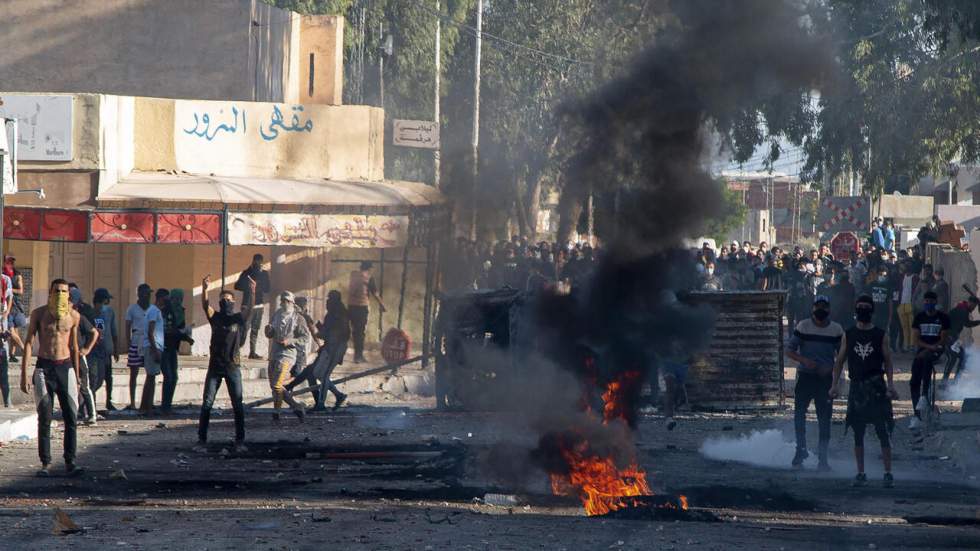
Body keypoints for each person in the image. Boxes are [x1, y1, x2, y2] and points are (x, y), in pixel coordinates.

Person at [830, 295, 898, 488]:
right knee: (857, 431)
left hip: (876, 386)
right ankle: (861, 473)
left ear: (872, 310)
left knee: (882, 430)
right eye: (860, 307)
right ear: (856, 310)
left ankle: (888, 472)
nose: (863, 310)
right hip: (857, 386)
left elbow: (888, 362)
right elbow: (839, 362)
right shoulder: (848, 334)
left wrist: (891, 385)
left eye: (866, 307)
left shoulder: (881, 335)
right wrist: (834, 384)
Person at [20, 279, 84, 476]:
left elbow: (74, 346)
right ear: (50, 292)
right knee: (45, 417)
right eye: (57, 290)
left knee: (70, 416)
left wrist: (78, 374)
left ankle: (70, 461)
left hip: (65, 367)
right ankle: (45, 463)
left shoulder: (73, 316)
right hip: (44, 367)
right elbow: (29, 342)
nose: (61, 294)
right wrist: (24, 373)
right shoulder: (39, 314)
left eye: (64, 291)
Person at [196, 274, 255, 452]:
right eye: (222, 300)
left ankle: (240, 440)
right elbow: (206, 306)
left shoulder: (238, 319)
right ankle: (201, 440)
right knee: (207, 403)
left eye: (228, 300)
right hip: (215, 366)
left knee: (237, 403)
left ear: (234, 302)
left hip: (232, 366)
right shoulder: (216, 317)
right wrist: (205, 289)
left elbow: (249, 310)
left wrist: (252, 291)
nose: (225, 302)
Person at [785, 295, 843, 470]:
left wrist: (831, 368)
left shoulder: (836, 330)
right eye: (818, 306)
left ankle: (823, 459)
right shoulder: (803, 326)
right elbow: (789, 350)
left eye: (824, 307)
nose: (821, 310)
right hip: (805, 377)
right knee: (799, 415)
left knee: (824, 419)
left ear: (829, 310)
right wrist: (804, 360)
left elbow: (842, 355)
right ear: (813, 308)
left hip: (825, 380)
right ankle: (800, 450)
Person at [264, 291, 308, 421]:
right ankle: (287, 409)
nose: (284, 303)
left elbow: (305, 337)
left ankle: (287, 409)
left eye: (286, 301)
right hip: (274, 352)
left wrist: (290, 341)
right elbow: (270, 332)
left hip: (287, 355)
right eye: (282, 300)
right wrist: (269, 331)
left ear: (292, 302)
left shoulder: (298, 318)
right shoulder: (277, 314)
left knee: (277, 385)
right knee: (274, 386)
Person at [908, 291, 950, 429]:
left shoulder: (943, 318)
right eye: (926, 301)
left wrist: (931, 348)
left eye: (930, 301)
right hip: (924, 349)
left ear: (935, 302)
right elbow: (915, 339)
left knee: (926, 359)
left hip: (937, 350)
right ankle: (917, 414)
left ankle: (924, 395)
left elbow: (943, 339)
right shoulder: (919, 317)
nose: (928, 304)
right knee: (914, 380)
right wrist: (927, 347)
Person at [68, 287, 101, 426]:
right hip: (64, 356)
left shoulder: (79, 317)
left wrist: (86, 349)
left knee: (84, 386)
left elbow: (95, 332)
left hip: (79, 356)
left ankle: (92, 415)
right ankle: (72, 413)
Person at [347, 261, 386, 364]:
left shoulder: (353, 275)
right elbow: (375, 294)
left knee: (355, 331)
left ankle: (357, 355)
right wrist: (382, 305)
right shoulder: (368, 277)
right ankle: (358, 356)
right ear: (369, 268)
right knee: (360, 332)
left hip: (351, 306)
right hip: (362, 307)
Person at [161, 288, 193, 414]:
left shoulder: (180, 312)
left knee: (174, 377)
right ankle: (165, 406)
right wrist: (183, 334)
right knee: (168, 376)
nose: (177, 301)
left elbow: (178, 329)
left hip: (173, 348)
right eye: (174, 299)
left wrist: (185, 336)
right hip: (164, 347)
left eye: (180, 299)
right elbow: (169, 330)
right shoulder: (165, 312)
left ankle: (168, 405)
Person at [235, 254, 271, 360]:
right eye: (256, 261)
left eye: (260, 261)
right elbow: (237, 286)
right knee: (244, 329)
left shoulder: (264, 274)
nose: (258, 263)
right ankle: (236, 350)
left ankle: (252, 352)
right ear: (253, 261)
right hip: (247, 305)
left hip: (259, 305)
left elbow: (267, 289)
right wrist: (248, 284)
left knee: (255, 329)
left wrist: (258, 284)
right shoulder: (246, 273)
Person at [138, 289, 167, 415]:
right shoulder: (154, 311)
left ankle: (145, 406)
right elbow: (151, 332)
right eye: (166, 298)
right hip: (152, 347)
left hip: (152, 346)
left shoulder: (152, 310)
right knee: (151, 378)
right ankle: (147, 407)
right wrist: (155, 350)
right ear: (160, 298)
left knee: (150, 377)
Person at [124, 284, 153, 409]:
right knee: (133, 373)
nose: (148, 296)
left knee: (150, 372)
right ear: (140, 294)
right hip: (136, 342)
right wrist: (128, 342)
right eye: (146, 293)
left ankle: (146, 402)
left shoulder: (152, 309)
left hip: (148, 343)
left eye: (149, 294)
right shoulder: (132, 309)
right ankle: (132, 402)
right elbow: (127, 326)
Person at [91, 288, 120, 411]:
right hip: (96, 350)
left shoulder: (109, 312)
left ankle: (109, 400)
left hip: (106, 350)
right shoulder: (94, 313)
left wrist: (116, 349)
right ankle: (93, 402)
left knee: (108, 376)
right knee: (97, 377)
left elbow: (113, 331)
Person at [942, 296, 980, 383]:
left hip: (952, 337)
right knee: (954, 357)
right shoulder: (963, 310)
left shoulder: (962, 308)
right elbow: (967, 324)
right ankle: (947, 381)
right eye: (973, 306)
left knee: (960, 357)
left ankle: (953, 380)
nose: (973, 309)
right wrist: (979, 322)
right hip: (949, 337)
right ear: (970, 302)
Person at [4, 256, 28, 362]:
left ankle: (12, 355)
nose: (10, 264)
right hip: (6, 306)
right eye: (8, 262)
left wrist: (9, 289)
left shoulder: (17, 275)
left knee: (15, 331)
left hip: (16, 305)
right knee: (11, 331)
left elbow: (20, 291)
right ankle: (24, 349)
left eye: (11, 262)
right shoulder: (2, 275)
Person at [896, 264, 918, 352]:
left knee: (912, 326)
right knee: (904, 326)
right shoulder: (902, 277)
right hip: (902, 303)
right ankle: (907, 344)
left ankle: (912, 344)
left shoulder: (915, 278)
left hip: (910, 303)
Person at [867, 266, 893, 332]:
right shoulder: (871, 285)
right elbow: (867, 300)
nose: (882, 276)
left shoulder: (888, 286)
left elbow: (890, 303)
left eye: (884, 275)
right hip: (872, 315)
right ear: (877, 274)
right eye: (880, 274)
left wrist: (890, 318)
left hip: (884, 316)